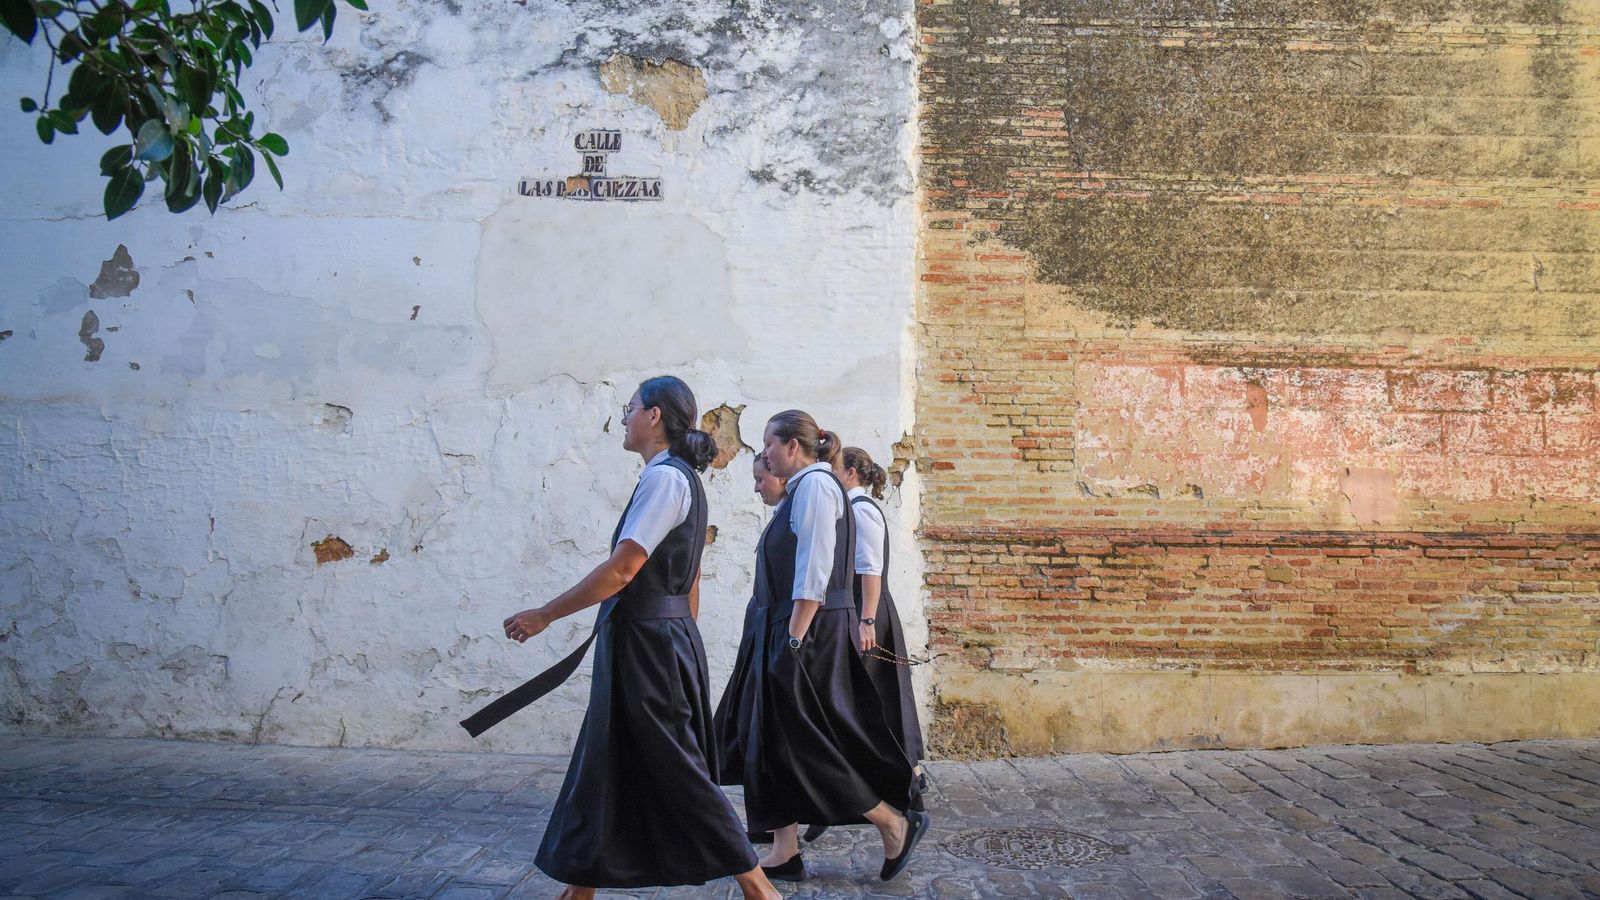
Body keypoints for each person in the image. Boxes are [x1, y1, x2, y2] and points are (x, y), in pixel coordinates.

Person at [501, 376, 779, 900]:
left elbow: (624, 570)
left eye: (630, 408)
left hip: (648, 644)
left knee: (675, 763)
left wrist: (546, 614)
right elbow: (690, 577)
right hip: (656, 640)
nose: (624, 418)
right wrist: (683, 641)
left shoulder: (666, 480)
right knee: (612, 759)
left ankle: (759, 888)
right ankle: (580, 890)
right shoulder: (677, 480)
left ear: (654, 417)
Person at [717, 409, 929, 884]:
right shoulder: (804, 488)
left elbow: (814, 568)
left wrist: (794, 635)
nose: (764, 455)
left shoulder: (813, 486)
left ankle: (892, 822)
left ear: (793, 446)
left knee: (808, 741)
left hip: (806, 633)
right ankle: (785, 848)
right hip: (792, 629)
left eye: (769, 444)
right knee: (773, 740)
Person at [838, 446, 925, 787]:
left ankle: (910, 774)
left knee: (882, 691)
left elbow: (871, 570)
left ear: (851, 473)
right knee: (874, 691)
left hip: (870, 609)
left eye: (836, 469)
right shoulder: (851, 509)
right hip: (862, 607)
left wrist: (868, 620)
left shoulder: (862, 512)